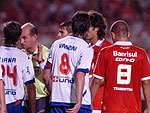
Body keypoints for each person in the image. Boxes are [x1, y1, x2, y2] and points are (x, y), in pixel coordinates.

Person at [90, 20, 150, 113]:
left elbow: (97, 80)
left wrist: (89, 102)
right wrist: (148, 107)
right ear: (128, 35)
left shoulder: (106, 52)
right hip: (133, 107)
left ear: (113, 35)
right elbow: (146, 82)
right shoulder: (141, 53)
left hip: (111, 107)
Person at [43, 11, 93, 113]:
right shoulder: (86, 47)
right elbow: (80, 75)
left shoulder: (56, 44)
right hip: (78, 103)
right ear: (87, 29)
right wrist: (79, 102)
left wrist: (54, 93)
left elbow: (46, 76)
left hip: (57, 101)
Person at [0, 21, 36, 113]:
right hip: (16, 105)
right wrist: (33, 110)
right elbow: (30, 85)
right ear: (19, 37)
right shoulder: (23, 56)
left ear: (4, 34)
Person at [84, 10, 112, 113]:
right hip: (84, 102)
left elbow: (110, 76)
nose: (84, 30)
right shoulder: (84, 47)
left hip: (99, 104)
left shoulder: (108, 48)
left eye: (88, 26)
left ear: (96, 28)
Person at [20, 22, 49, 113]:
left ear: (34, 37)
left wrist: (41, 62)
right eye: (20, 38)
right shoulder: (20, 55)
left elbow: (51, 77)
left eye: (24, 38)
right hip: (24, 100)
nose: (21, 41)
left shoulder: (47, 54)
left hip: (42, 99)